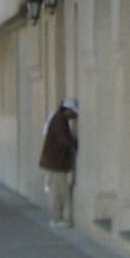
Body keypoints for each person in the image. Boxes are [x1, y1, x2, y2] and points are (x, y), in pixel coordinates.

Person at [38, 97, 79, 228]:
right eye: (73, 112)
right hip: (57, 163)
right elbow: (63, 140)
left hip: (55, 162)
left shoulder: (58, 119)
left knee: (57, 191)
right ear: (67, 110)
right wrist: (74, 143)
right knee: (59, 192)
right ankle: (57, 219)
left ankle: (57, 218)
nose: (74, 116)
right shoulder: (60, 121)